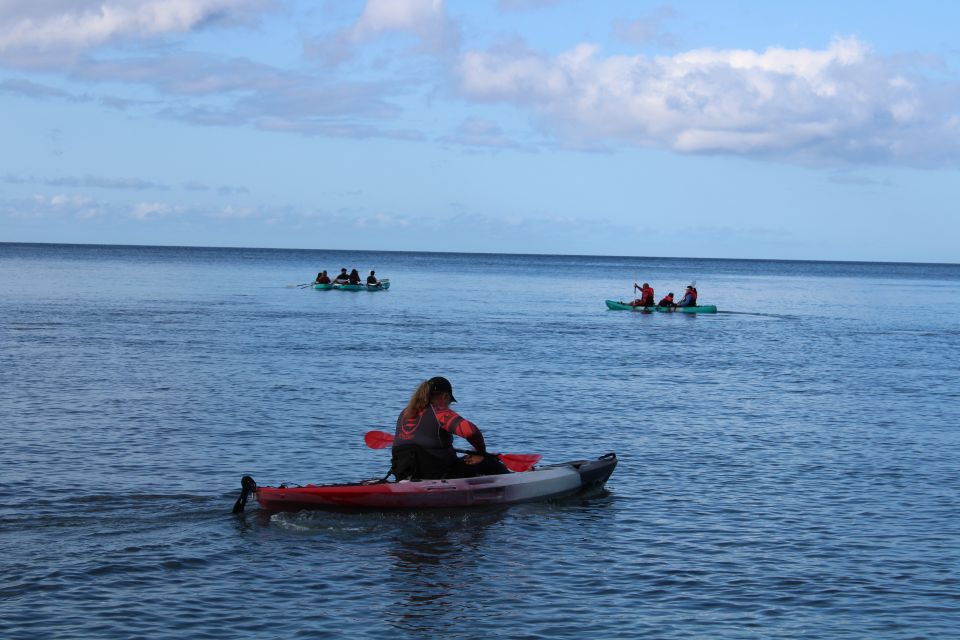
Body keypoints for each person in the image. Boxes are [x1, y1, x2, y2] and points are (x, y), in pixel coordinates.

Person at [391, 377, 508, 481]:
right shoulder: (440, 412)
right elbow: (470, 431)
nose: (449, 405)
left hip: (405, 474)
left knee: (466, 460)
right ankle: (513, 480)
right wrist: (481, 452)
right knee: (489, 462)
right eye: (449, 402)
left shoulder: (405, 413)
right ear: (445, 396)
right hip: (438, 475)